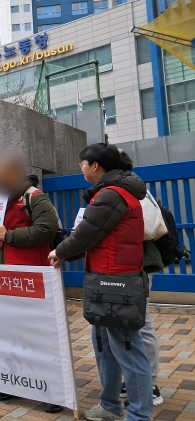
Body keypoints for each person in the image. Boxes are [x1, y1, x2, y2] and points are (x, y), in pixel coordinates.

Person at [49, 143, 153, 421]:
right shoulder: (111, 193)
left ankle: (139, 414)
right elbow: (93, 237)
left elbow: (85, 234)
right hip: (104, 280)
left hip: (116, 283)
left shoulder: (111, 195)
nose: (81, 168)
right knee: (106, 347)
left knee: (129, 350)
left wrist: (59, 252)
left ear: (95, 165)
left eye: (83, 163)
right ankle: (110, 405)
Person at [0, 154, 62, 412]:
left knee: (37, 332)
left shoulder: (34, 197)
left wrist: (10, 236)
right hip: (3, 275)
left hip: (30, 277)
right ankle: (9, 381)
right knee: (7, 330)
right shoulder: (0, 199)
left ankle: (51, 389)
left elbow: (46, 230)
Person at [118, 151, 164, 406]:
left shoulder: (133, 190)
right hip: (131, 266)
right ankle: (136, 379)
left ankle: (150, 384)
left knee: (141, 325)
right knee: (129, 326)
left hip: (138, 266)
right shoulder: (128, 188)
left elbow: (143, 229)